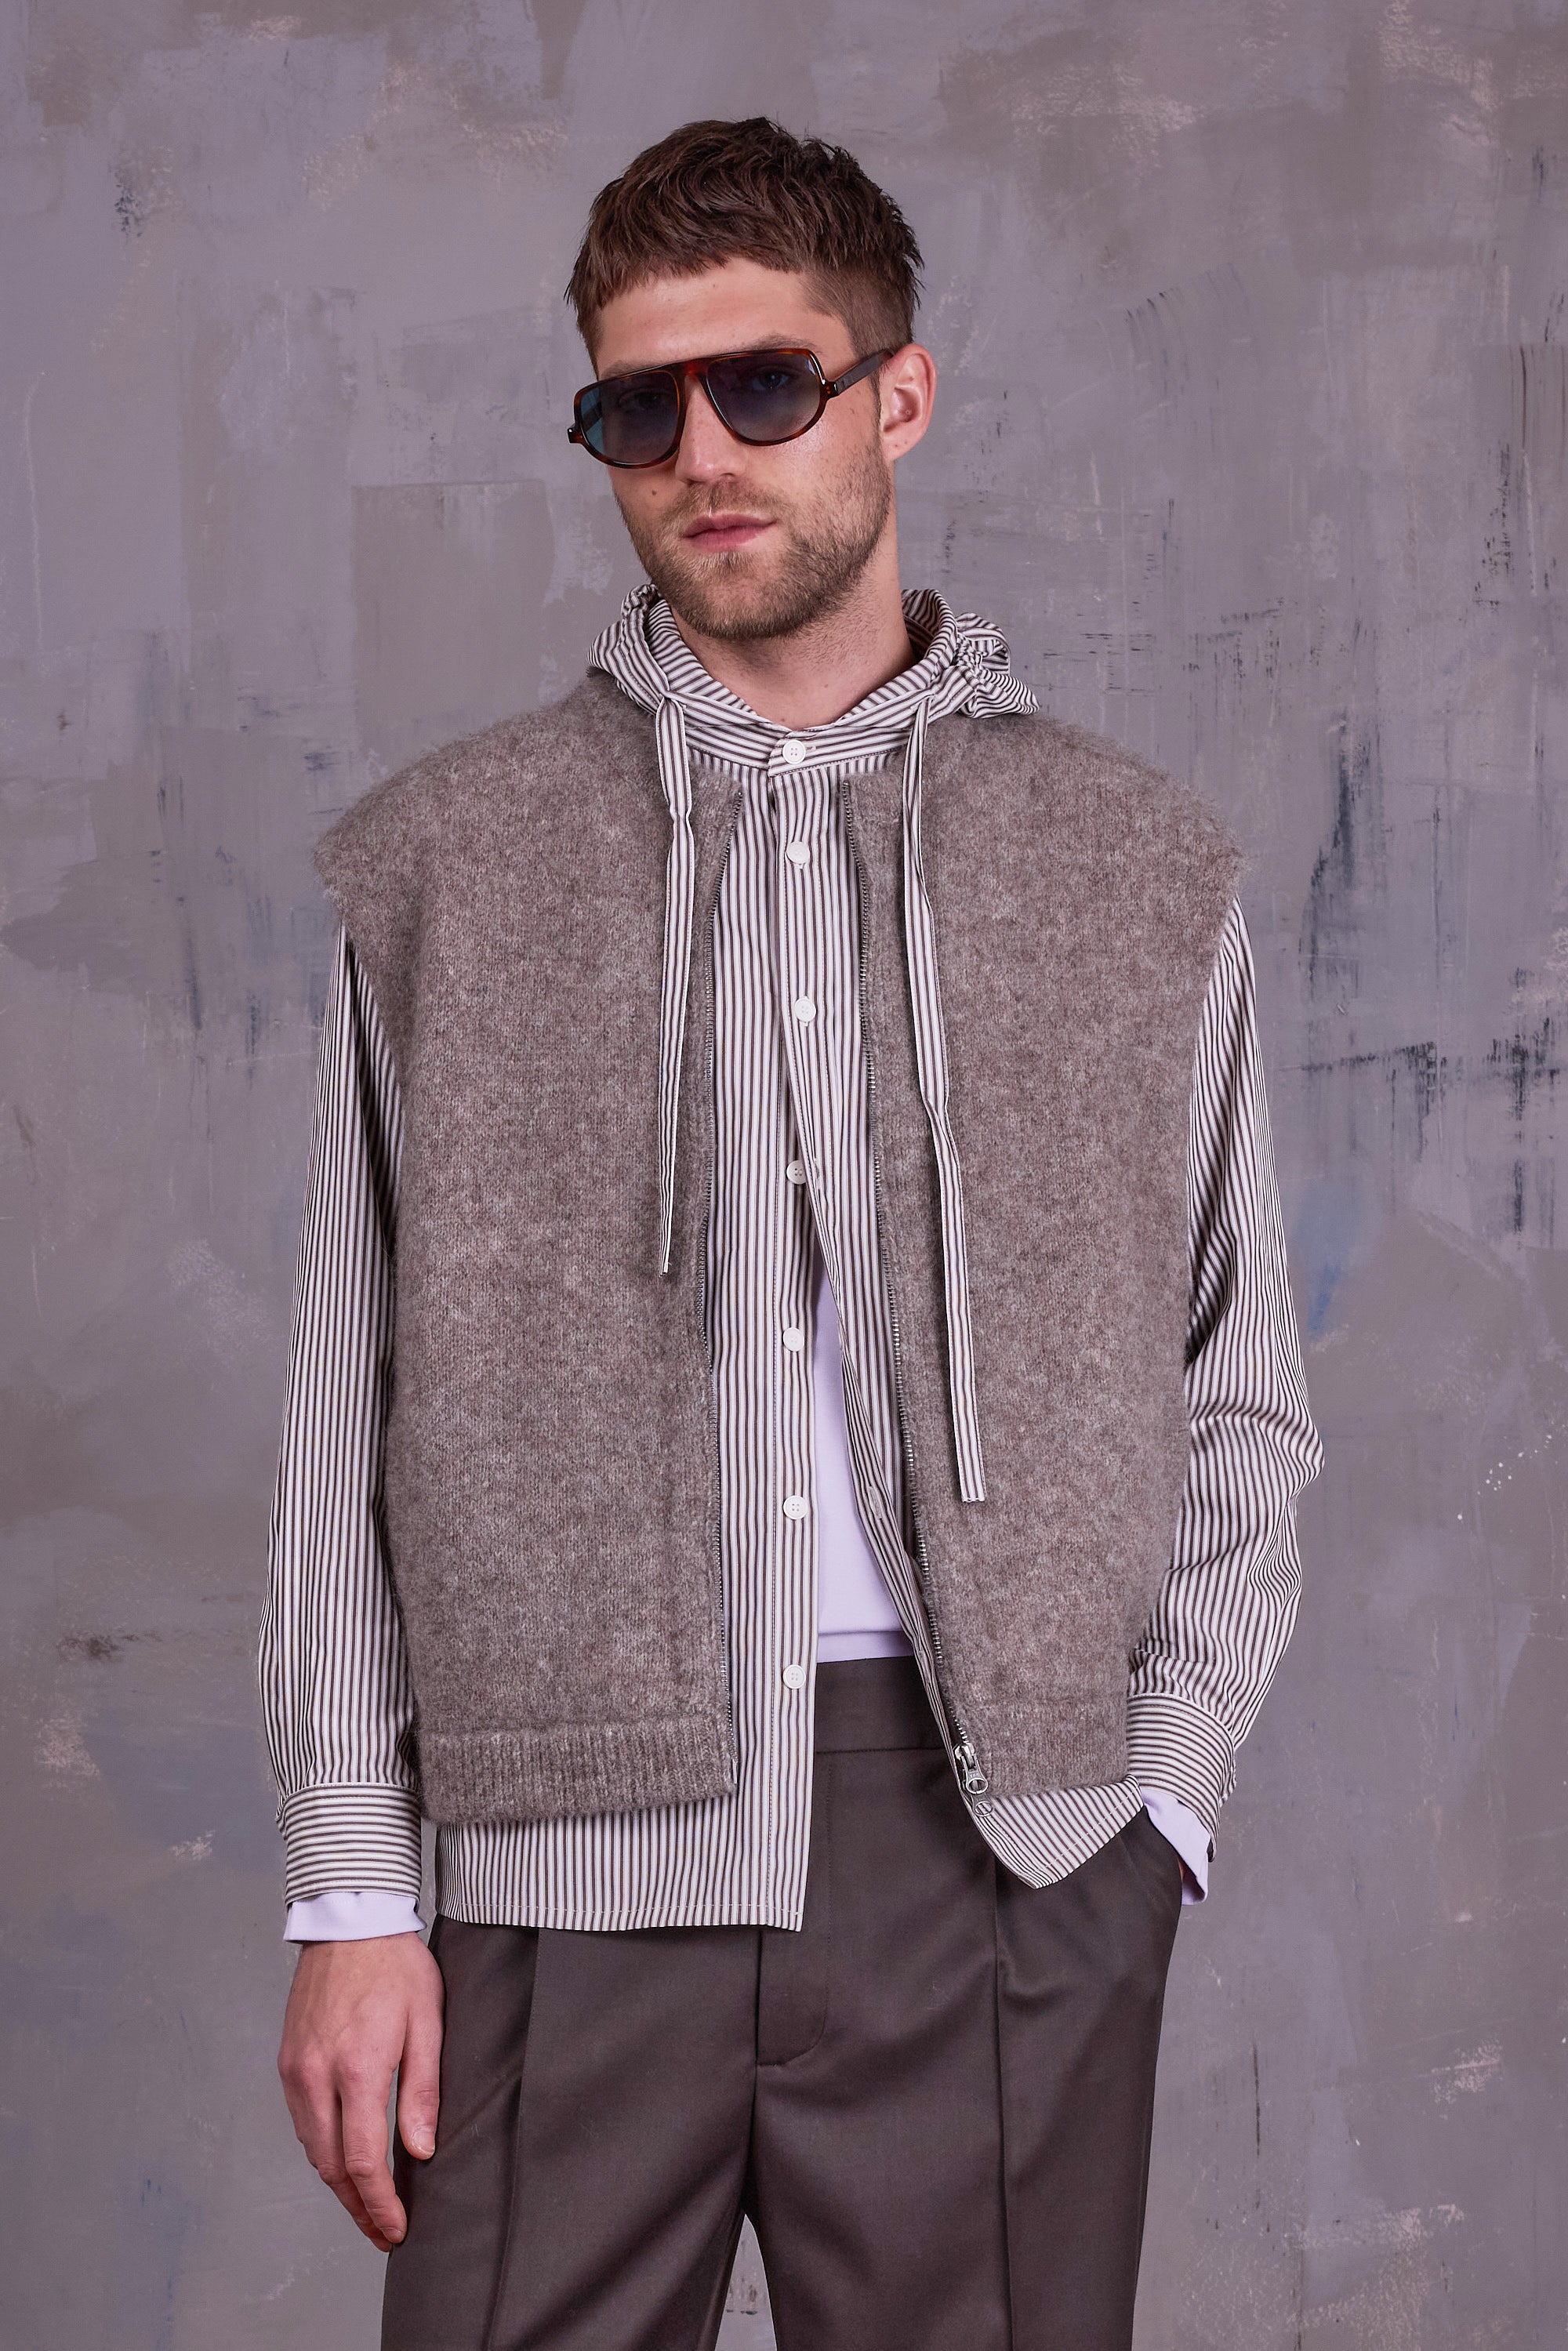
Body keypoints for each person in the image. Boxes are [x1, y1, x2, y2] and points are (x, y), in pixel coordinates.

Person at [260, 115, 1323, 2351]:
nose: (703, 457)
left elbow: (1241, 1387)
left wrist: (1160, 1815)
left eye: (763, 385)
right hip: (554, 1862)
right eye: (635, 410)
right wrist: (354, 1891)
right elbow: (342, 1409)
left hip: (1003, 1854)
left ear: (895, 396)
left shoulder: (1137, 866)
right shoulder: (445, 864)